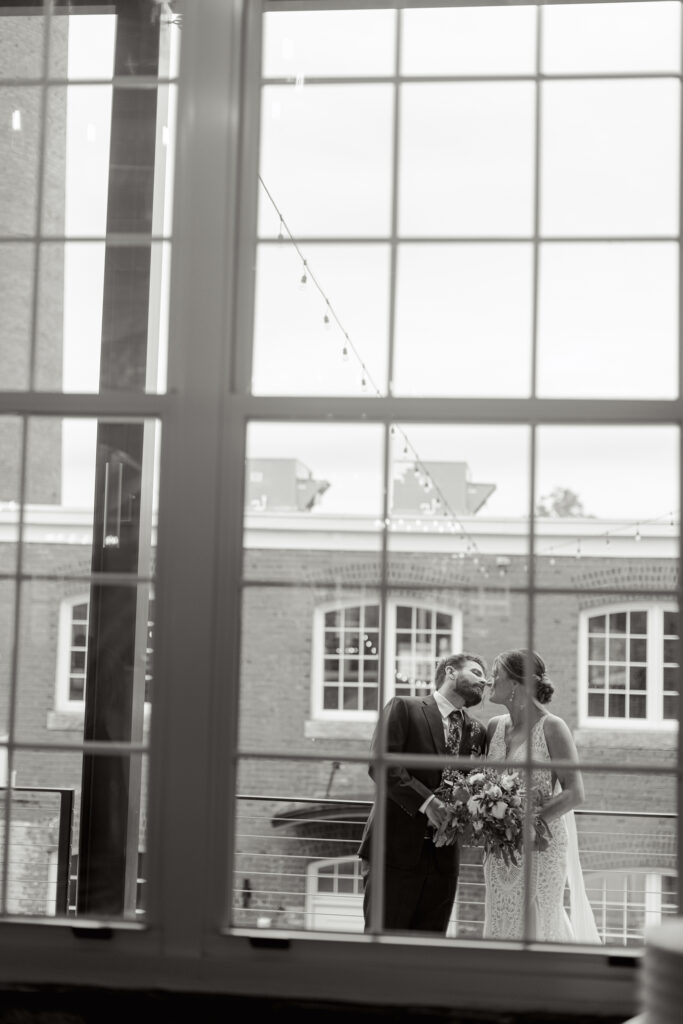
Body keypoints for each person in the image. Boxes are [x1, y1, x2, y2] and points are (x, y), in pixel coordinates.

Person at [357, 652, 488, 934]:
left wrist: (459, 817)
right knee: (382, 946)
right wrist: (428, 803)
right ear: (451, 671)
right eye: (476, 672)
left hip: (444, 858)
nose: (485, 680)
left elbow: (476, 785)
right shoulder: (404, 707)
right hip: (393, 851)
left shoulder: (478, 731)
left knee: (429, 950)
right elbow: (381, 765)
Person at [483, 648, 600, 943]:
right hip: (499, 851)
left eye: (496, 674)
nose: (489, 680)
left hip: (541, 847)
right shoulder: (495, 727)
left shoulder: (553, 727)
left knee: (541, 920)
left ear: (516, 684)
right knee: (501, 918)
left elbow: (575, 793)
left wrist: (524, 825)